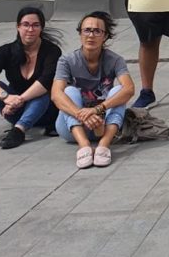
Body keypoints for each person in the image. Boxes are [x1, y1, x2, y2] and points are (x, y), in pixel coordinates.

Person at [0, 7, 63, 151]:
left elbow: (46, 81)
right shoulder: (6, 51)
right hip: (14, 110)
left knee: (43, 91)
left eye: (35, 25)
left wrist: (19, 100)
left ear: (41, 28)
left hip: (45, 111)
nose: (30, 29)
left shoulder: (52, 51)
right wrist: (6, 97)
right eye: (26, 24)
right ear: (18, 26)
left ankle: (19, 130)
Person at [51, 11, 135, 169]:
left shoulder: (115, 60)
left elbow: (129, 89)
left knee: (119, 90)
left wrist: (98, 109)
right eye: (87, 30)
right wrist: (81, 114)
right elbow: (56, 94)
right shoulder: (67, 61)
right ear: (80, 34)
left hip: (103, 125)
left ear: (105, 36)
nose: (91, 35)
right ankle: (84, 146)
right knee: (69, 92)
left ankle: (104, 145)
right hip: (72, 127)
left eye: (97, 31)